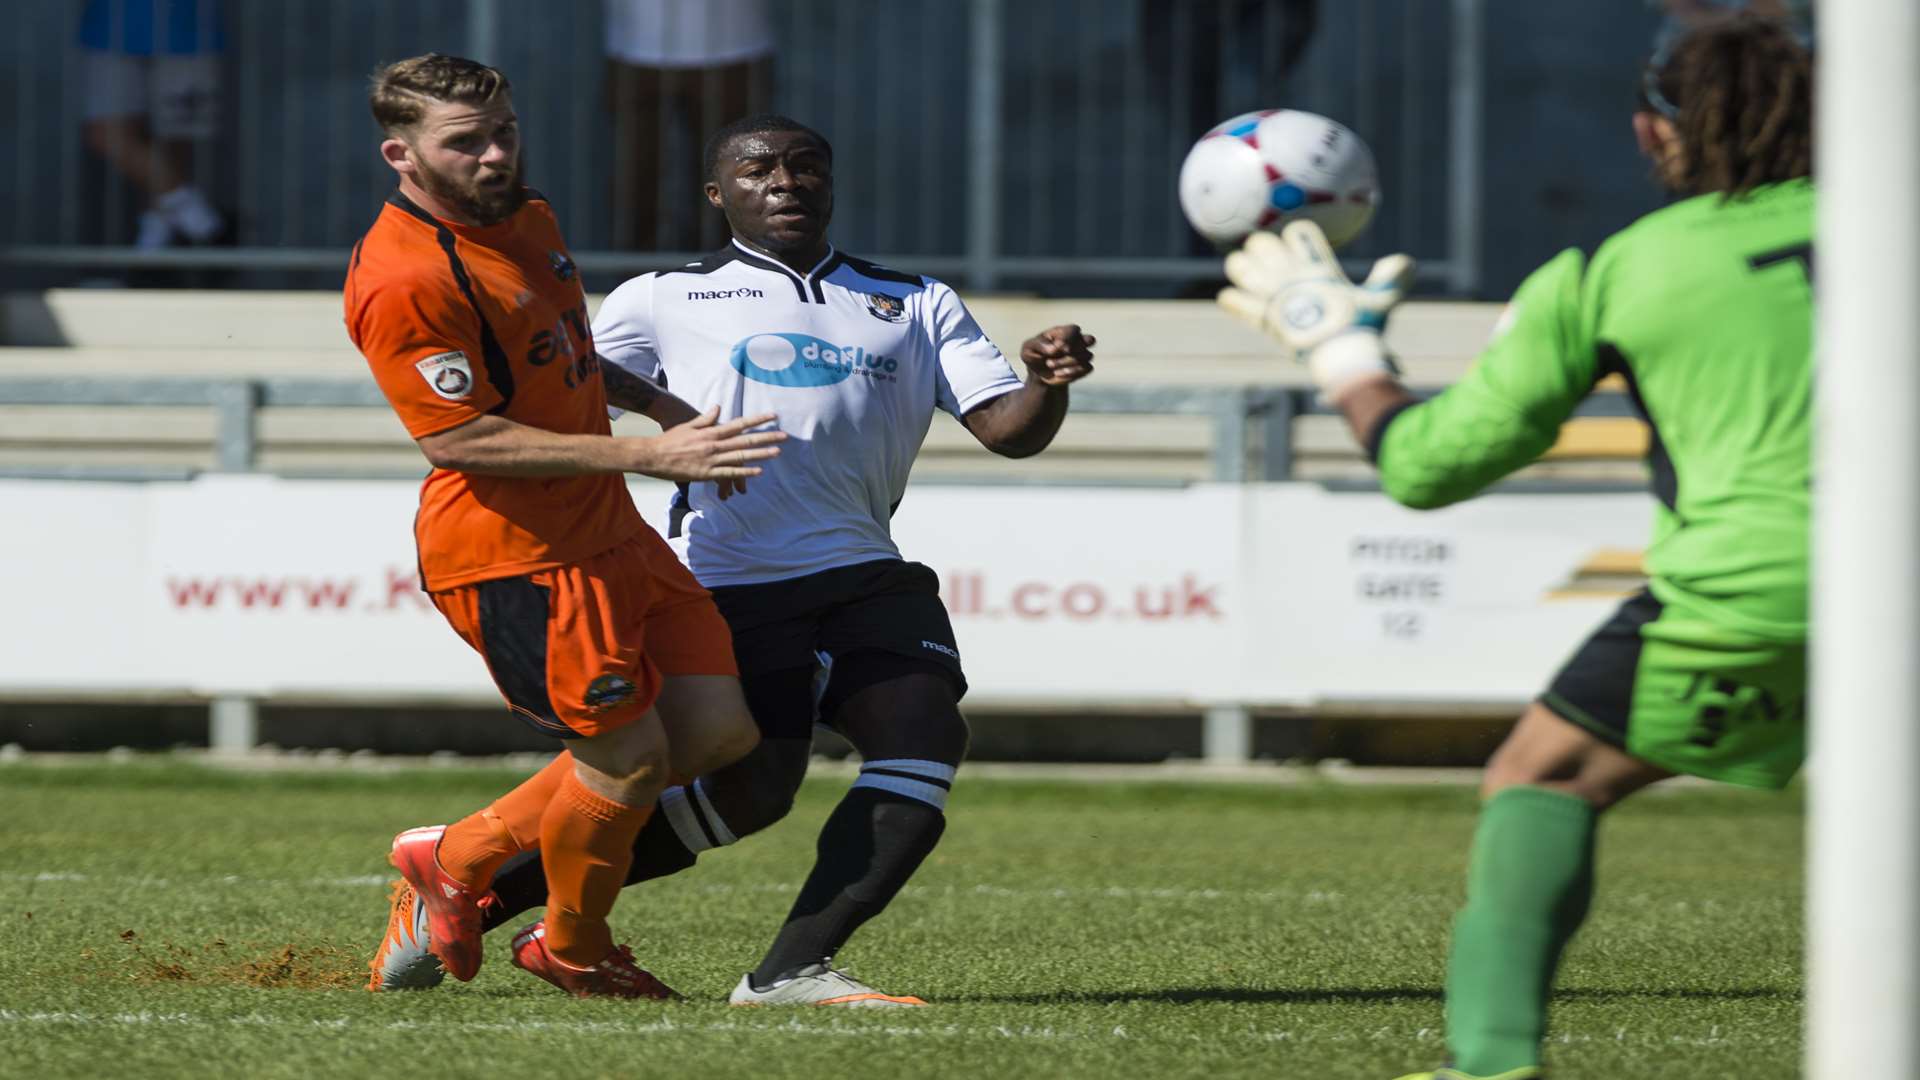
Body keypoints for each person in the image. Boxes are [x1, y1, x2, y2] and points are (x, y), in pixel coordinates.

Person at [372, 113, 1098, 1006]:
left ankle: (792, 970)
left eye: (805, 167)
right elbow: (573, 380)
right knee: (749, 788)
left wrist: (1044, 385)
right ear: (719, 195)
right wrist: (666, 415)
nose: (785, 182)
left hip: (867, 569)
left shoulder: (913, 301)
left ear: (830, 183)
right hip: (726, 577)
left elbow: (1008, 433)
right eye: (759, 171)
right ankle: (482, 895)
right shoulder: (661, 296)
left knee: (926, 739)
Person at [1214, 16, 1811, 1080]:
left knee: (1544, 777)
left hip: (1761, 588)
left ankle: (1491, 1066)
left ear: (1652, 134)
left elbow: (1428, 465)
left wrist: (1342, 347)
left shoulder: (1620, 270)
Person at [347, 53, 787, 999]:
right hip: (513, 556)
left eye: (504, 131)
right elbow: (459, 441)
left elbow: (568, 349)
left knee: (713, 732)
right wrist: (648, 456)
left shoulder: (527, 215)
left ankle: (453, 854)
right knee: (628, 761)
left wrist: (660, 409)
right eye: (465, 142)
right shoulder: (403, 278)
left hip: (607, 528)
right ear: (401, 155)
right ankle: (572, 950)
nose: (495, 154)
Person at [604, 0, 775, 250]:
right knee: (635, 181)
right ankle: (638, 279)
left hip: (735, 46)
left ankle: (732, 275)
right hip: (635, 46)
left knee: (733, 178)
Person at [78, 0, 231, 248]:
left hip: (188, 29)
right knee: (104, 131)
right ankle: (202, 221)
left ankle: (153, 249)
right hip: (108, 28)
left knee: (175, 142)